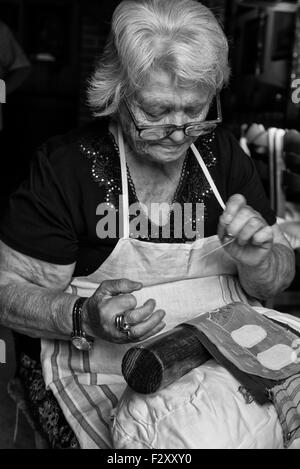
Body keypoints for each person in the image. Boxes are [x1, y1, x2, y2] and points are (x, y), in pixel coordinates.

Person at [0, 0, 297, 449]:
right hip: (105, 363)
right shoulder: (69, 169)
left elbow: (276, 278)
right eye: (156, 113)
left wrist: (260, 260)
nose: (178, 131)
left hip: (226, 359)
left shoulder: (225, 157)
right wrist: (83, 315)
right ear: (117, 95)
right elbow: (6, 291)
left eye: (194, 110)